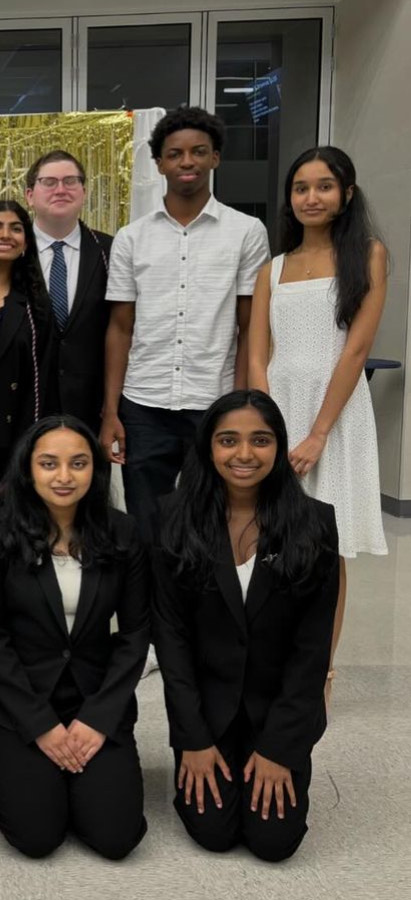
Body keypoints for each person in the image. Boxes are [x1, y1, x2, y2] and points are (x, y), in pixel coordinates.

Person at [153, 389, 339, 862]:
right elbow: (171, 641)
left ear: (278, 448)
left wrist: (281, 748)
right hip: (207, 712)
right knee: (214, 833)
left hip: (276, 710)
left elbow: (312, 650)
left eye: (260, 440)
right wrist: (192, 740)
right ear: (208, 447)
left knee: (273, 841)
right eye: (228, 440)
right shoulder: (173, 518)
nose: (243, 454)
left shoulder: (315, 525)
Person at [0, 416, 149, 860]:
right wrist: (41, 726)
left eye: (78, 463)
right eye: (49, 464)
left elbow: (135, 633)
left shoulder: (122, 532)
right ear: (28, 469)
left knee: (116, 837)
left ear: (96, 469)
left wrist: (99, 718)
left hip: (94, 696)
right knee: (36, 837)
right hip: (21, 700)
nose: (64, 477)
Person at [247, 146, 388, 702]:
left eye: (324, 186)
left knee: (327, 546)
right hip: (277, 409)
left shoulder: (368, 256)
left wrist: (318, 432)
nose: (311, 197)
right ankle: (269, 653)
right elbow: (258, 354)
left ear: (346, 193)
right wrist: (266, 432)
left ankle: (319, 669)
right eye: (301, 187)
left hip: (336, 414)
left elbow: (354, 352)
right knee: (268, 538)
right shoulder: (273, 268)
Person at [100, 107, 270, 534]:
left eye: (198, 152)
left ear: (215, 158)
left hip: (213, 401)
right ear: (159, 164)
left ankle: (205, 600)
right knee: (146, 521)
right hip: (144, 404)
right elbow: (120, 328)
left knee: (214, 519)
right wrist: (111, 409)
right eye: (175, 154)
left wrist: (241, 402)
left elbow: (251, 326)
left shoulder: (246, 232)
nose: (187, 162)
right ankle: (151, 602)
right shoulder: (131, 237)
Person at [0, 200, 57, 495]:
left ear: (26, 243)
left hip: (11, 437)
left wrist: (29, 450)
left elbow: (42, 383)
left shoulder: (36, 306)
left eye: (16, 229)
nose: (5, 235)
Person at [25, 150, 114, 435]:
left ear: (84, 191)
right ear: (30, 195)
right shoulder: (10, 251)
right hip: (23, 405)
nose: (60, 189)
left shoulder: (111, 251)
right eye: (49, 182)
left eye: (70, 181)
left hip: (91, 407)